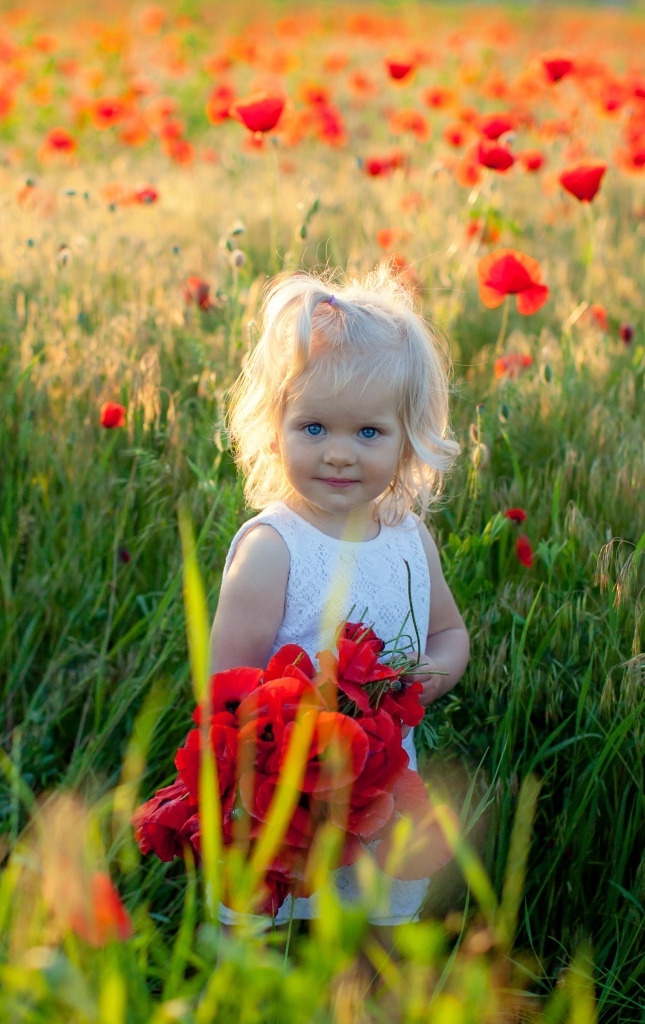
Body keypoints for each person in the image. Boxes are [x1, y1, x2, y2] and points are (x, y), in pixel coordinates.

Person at [210, 263, 470, 933]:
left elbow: (449, 635)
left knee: (372, 931)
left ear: (409, 440)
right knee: (266, 929)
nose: (340, 454)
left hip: (379, 786)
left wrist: (421, 681)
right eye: (315, 428)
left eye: (369, 433)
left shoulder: (409, 539)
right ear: (276, 427)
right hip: (284, 791)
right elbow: (224, 689)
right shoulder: (273, 549)